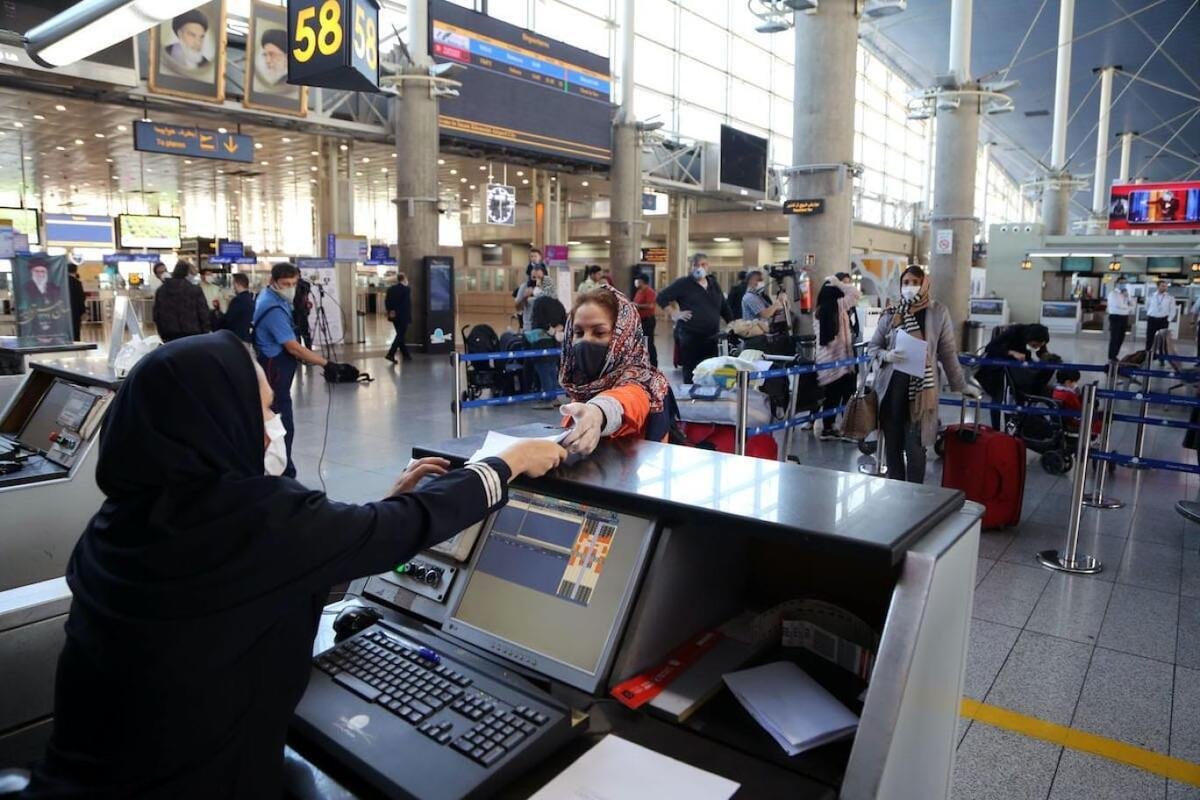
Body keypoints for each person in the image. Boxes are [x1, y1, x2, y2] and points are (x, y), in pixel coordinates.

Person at [18, 331, 565, 800]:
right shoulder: (252, 517)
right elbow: (403, 527)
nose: (273, 424)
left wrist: (381, 507)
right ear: (216, 422)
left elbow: (259, 578)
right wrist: (505, 464)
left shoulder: (120, 523)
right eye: (263, 408)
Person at [868, 266, 977, 484]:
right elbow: (873, 347)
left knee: (915, 448)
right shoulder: (892, 312)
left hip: (921, 393)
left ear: (925, 284)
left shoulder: (937, 312)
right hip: (891, 390)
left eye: (915, 282)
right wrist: (887, 355)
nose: (910, 287)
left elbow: (947, 352)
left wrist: (960, 385)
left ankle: (915, 494)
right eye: (906, 282)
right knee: (892, 447)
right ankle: (894, 489)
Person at [558, 288, 671, 454]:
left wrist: (596, 413)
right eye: (579, 333)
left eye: (599, 332)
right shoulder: (584, 387)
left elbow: (625, 401)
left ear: (625, 336)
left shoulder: (641, 383)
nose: (585, 340)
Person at [253, 263, 331, 478]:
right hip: (274, 367)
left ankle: (284, 468)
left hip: (278, 364)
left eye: (293, 284)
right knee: (281, 422)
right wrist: (326, 363)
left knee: (281, 420)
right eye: (285, 284)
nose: (290, 288)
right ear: (273, 282)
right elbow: (293, 347)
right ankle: (283, 474)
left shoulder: (276, 298)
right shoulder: (272, 308)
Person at [657, 253, 733, 384]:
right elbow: (661, 298)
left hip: (712, 336)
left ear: (708, 266)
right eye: (696, 265)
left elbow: (723, 306)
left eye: (703, 264)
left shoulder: (713, 284)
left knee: (709, 372)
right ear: (691, 267)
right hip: (691, 336)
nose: (699, 268)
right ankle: (690, 395)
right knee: (692, 372)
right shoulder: (683, 283)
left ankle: (707, 395)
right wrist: (675, 313)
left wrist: (732, 323)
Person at [974, 323, 1050, 430]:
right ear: (1030, 338)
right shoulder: (1014, 332)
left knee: (1019, 395)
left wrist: (1047, 357)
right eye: (1034, 345)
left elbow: (1042, 352)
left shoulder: (1038, 336)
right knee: (999, 398)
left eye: (1039, 346)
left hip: (1015, 369)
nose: (1036, 348)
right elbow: (990, 348)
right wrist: (1012, 353)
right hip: (997, 369)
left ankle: (1016, 426)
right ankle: (997, 428)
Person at [815, 275, 862, 441]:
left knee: (832, 396)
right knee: (846, 394)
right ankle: (846, 428)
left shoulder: (819, 310)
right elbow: (856, 293)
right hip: (840, 359)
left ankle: (829, 428)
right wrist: (839, 283)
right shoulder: (838, 306)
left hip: (827, 361)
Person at [153, 260, 210, 342]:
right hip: (193, 336)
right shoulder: (194, 290)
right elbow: (203, 313)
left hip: (170, 336)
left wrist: (163, 335)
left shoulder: (161, 291)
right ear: (187, 274)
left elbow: (156, 315)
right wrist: (205, 333)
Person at [162, 9, 212, 80]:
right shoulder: (163, 55)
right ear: (180, 34)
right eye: (192, 35)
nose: (198, 43)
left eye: (201, 37)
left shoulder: (206, 65)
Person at [1052, 368, 1102, 437]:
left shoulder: (1056, 391)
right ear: (1068, 382)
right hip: (1073, 421)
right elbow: (1079, 409)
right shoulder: (1069, 395)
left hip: (1066, 419)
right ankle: (1095, 435)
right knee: (1101, 417)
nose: (1076, 384)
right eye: (1075, 382)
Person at [515, 264, 557, 333]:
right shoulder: (524, 287)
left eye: (539, 277)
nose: (537, 280)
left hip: (545, 329)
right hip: (529, 329)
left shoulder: (549, 288)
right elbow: (518, 308)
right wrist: (524, 297)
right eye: (534, 277)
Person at [384, 273, 413, 364]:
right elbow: (407, 305)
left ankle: (406, 354)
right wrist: (408, 317)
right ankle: (391, 353)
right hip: (403, 317)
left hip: (394, 316)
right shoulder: (406, 289)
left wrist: (390, 311)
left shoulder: (390, 289)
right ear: (404, 279)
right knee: (400, 335)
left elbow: (387, 302)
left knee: (400, 335)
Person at [632, 272, 658, 367]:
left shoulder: (649, 292)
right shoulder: (639, 291)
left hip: (648, 321)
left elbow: (651, 305)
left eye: (638, 280)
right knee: (640, 342)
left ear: (642, 281)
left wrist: (638, 306)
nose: (636, 282)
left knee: (649, 342)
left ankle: (653, 364)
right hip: (640, 321)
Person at [218, 273, 254, 342]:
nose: (233, 287)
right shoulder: (250, 298)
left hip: (236, 338)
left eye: (233, 283)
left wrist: (221, 311)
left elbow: (228, 320)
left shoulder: (238, 300)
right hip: (246, 337)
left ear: (237, 284)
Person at [1106, 276, 1133, 361]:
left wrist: (1127, 298)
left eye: (1125, 283)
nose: (1123, 284)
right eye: (1121, 283)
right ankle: (1111, 356)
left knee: (1121, 337)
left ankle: (1115, 354)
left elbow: (1132, 304)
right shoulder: (1113, 294)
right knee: (1115, 337)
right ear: (1117, 284)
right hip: (1116, 317)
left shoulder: (1126, 294)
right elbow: (1118, 305)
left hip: (1124, 317)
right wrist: (1127, 307)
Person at [1145, 280, 1174, 349]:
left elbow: (1172, 310)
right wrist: (1151, 313)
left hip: (1163, 320)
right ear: (1158, 286)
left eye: (1166, 286)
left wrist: (1168, 320)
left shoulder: (1170, 297)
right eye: (1163, 286)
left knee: (1162, 339)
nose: (1165, 288)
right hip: (1152, 319)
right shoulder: (1151, 296)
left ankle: (1161, 354)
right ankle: (1148, 352)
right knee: (1150, 337)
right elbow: (1147, 306)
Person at [294, 276, 314, 350]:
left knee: (305, 333)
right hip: (293, 312)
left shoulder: (304, 284)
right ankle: (298, 352)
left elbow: (306, 292)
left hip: (302, 312)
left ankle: (309, 350)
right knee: (296, 334)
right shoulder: (290, 285)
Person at [67, 264, 85, 341]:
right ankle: (76, 344)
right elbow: (81, 298)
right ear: (75, 271)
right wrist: (83, 311)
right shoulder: (77, 283)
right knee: (76, 330)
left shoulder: (62, 283)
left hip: (64, 311)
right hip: (75, 311)